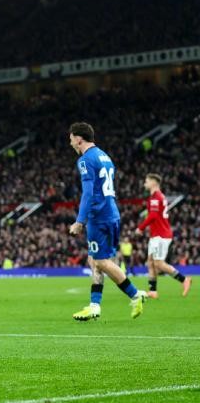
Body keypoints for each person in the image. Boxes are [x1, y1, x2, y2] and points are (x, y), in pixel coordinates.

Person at [67, 122, 146, 321]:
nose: (71, 143)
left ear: (79, 139)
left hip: (99, 217)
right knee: (94, 259)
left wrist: (80, 221)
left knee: (101, 261)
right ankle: (94, 306)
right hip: (111, 213)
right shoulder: (104, 156)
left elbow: (88, 193)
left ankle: (135, 295)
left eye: (71, 139)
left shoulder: (85, 160)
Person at [136, 173, 192, 298]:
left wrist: (140, 228)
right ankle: (153, 291)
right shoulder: (156, 197)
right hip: (155, 234)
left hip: (161, 235)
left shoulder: (156, 197)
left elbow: (153, 216)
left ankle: (184, 280)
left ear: (153, 182)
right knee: (150, 262)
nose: (144, 184)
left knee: (159, 264)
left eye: (146, 181)